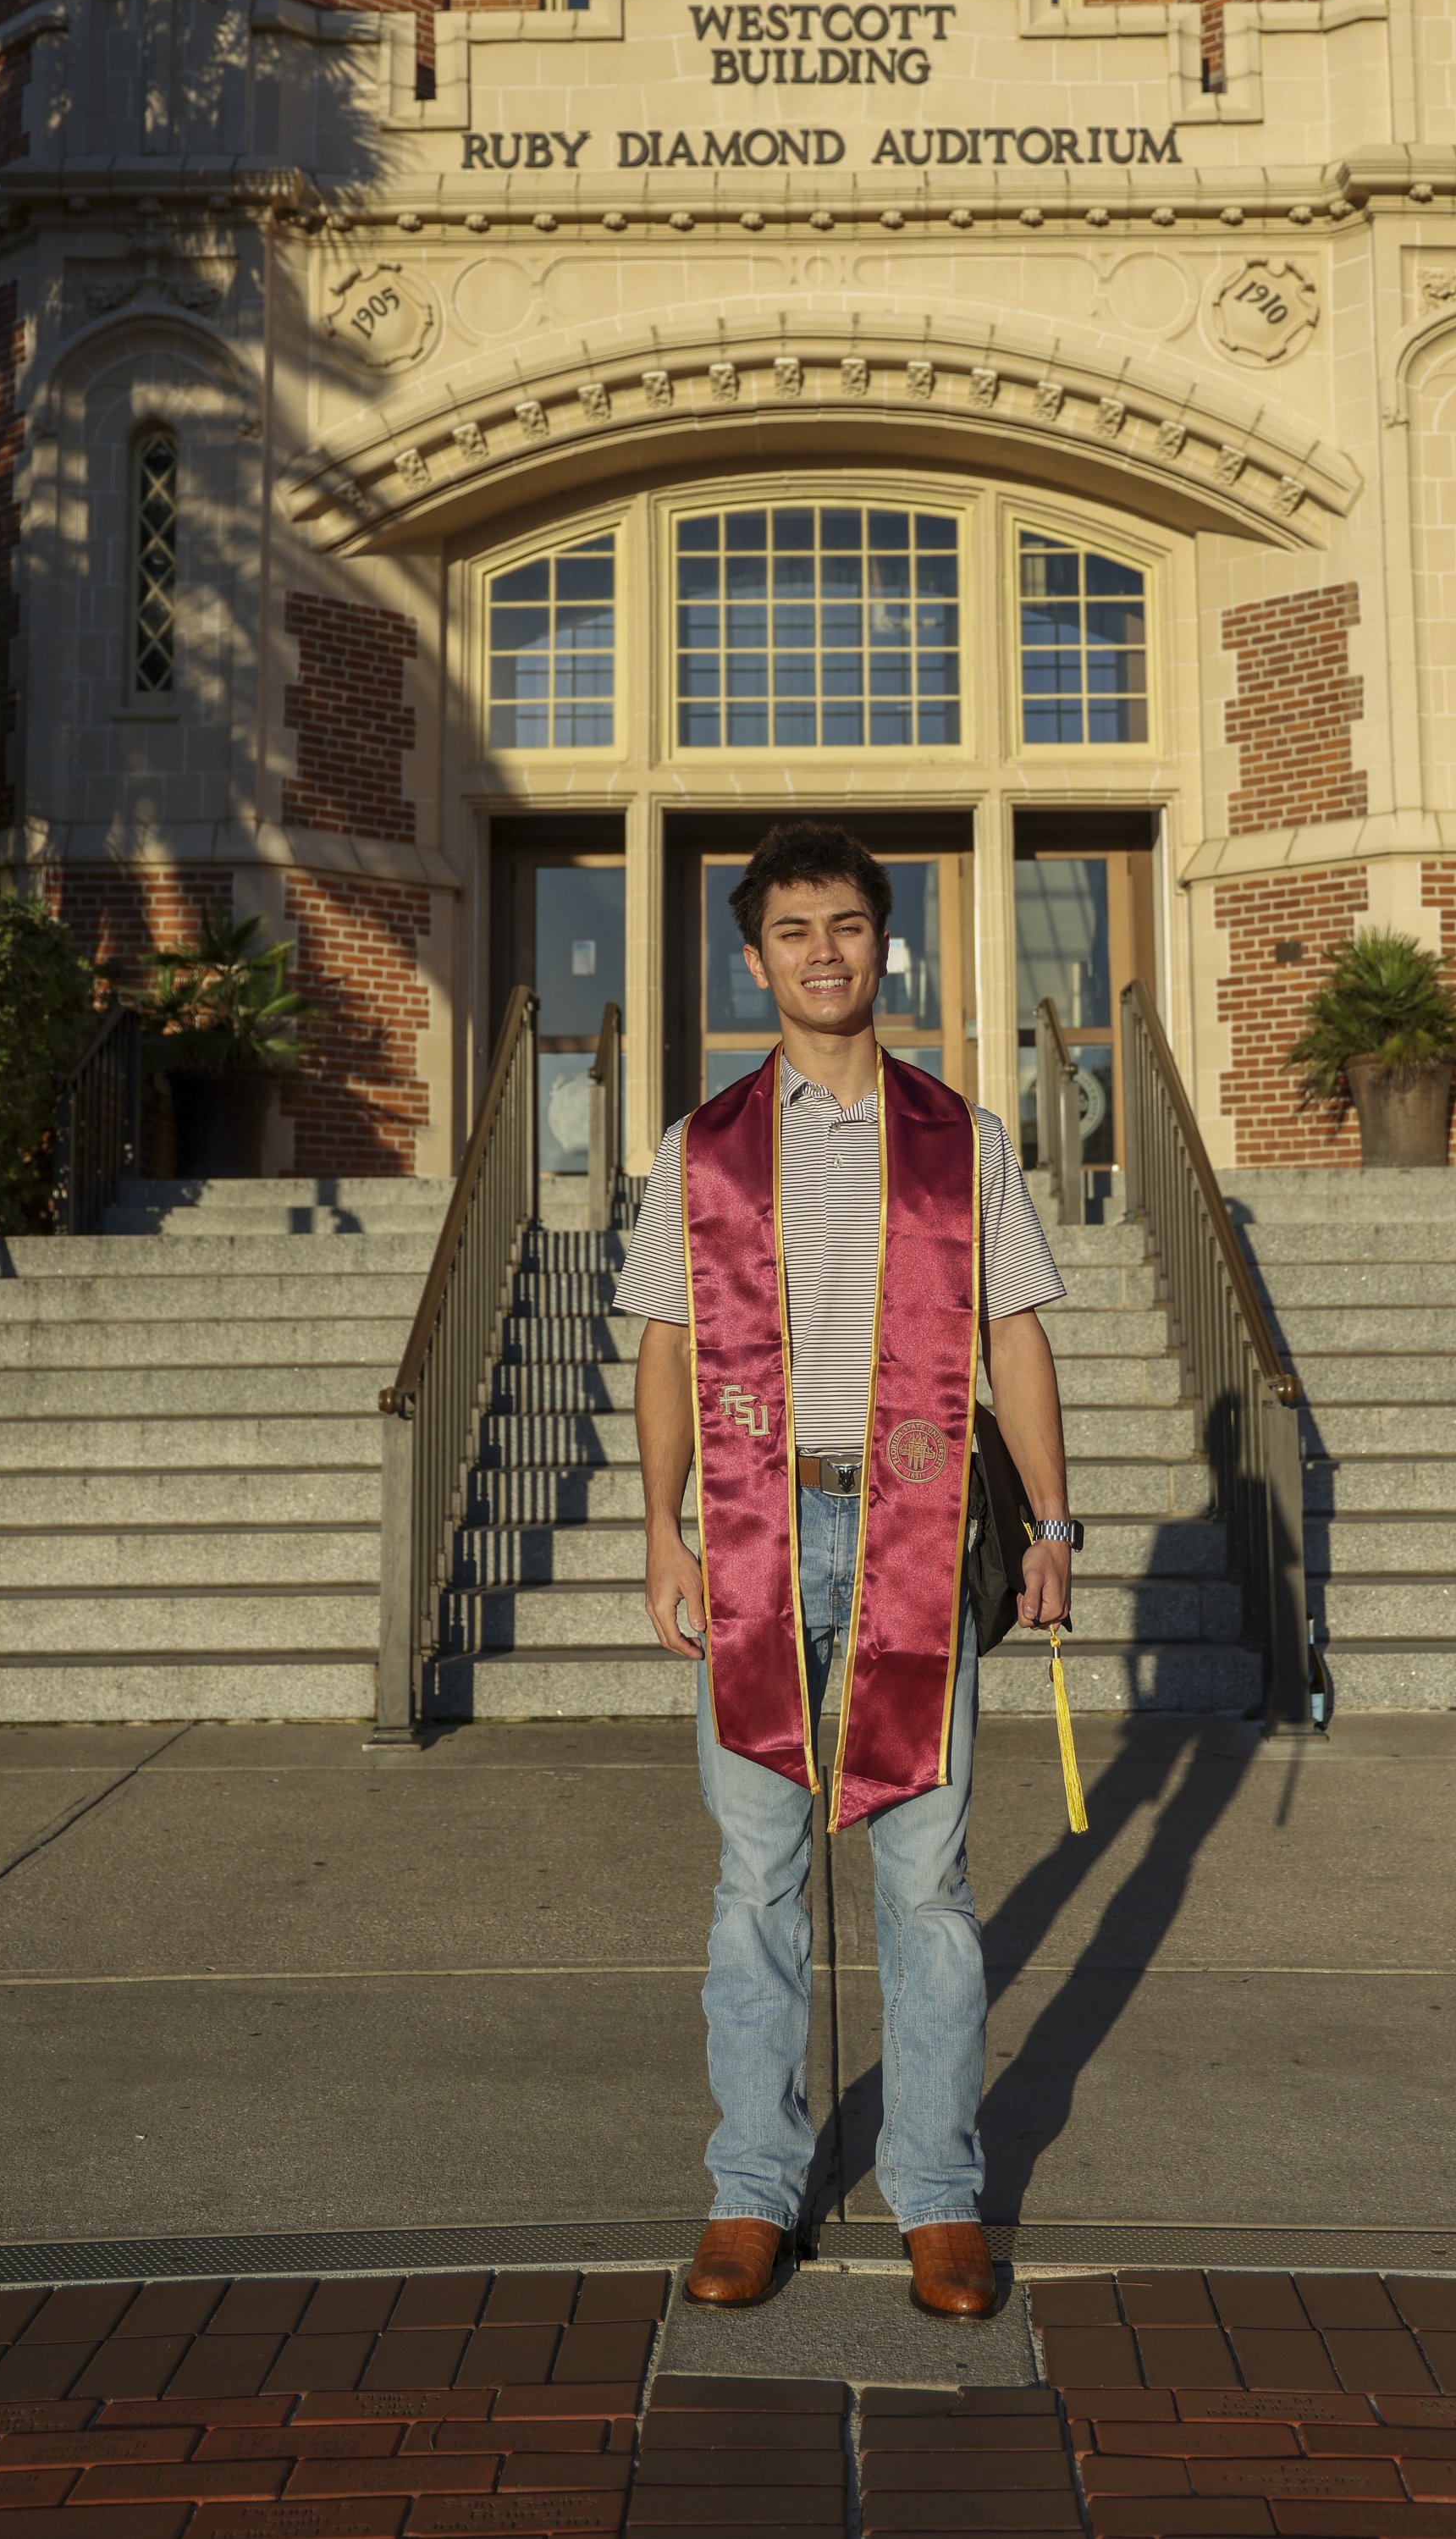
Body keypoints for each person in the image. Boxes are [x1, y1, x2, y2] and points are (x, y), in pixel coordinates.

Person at [613, 820, 1078, 2320]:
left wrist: (1055, 1527)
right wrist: (661, 1528)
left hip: (921, 1540)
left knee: (927, 1887)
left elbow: (1014, 1335)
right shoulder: (699, 1150)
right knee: (756, 1878)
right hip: (754, 1534)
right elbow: (671, 1345)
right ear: (754, 962)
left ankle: (938, 2193)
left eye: (850, 926)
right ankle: (755, 2185)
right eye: (794, 931)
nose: (826, 952)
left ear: (889, 945)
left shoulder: (963, 1135)